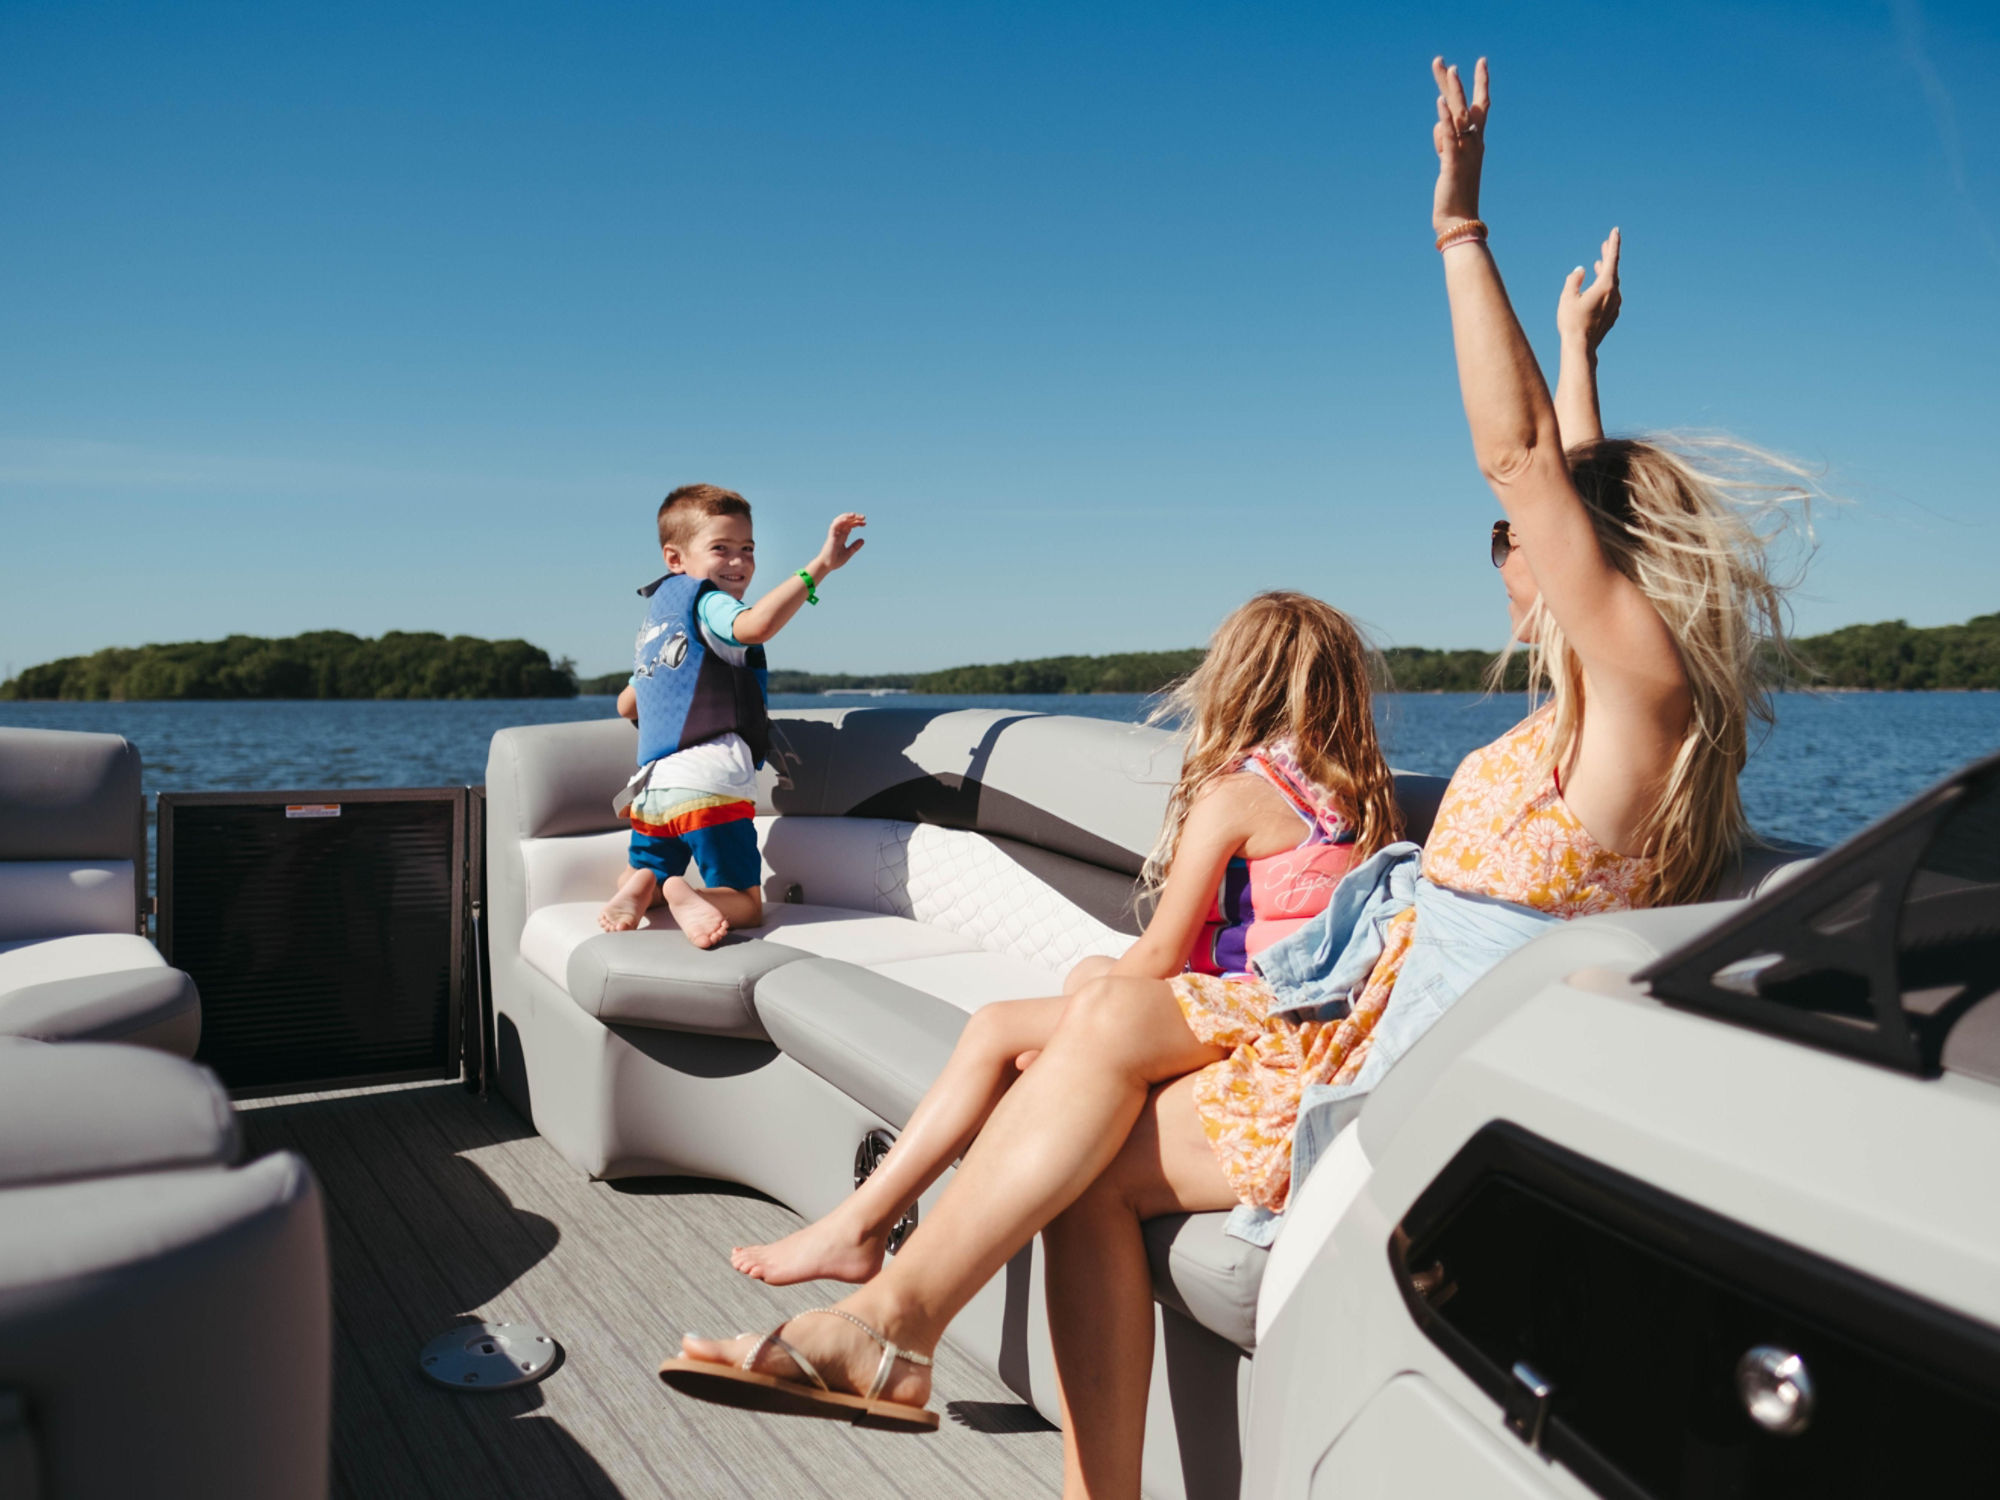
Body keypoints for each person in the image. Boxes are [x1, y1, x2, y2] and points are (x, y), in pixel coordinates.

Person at [661, 55, 1804, 1499]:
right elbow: (1568, 480)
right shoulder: (1605, 709)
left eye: (1534, 548)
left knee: (1088, 1093)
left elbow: (1528, 472)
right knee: (1091, 1086)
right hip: (1364, 1010)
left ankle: (890, 1318)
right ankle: (942, 1364)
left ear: (1613, 577)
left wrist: (1461, 225)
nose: (1516, 560)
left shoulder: (1642, 716)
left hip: (1418, 1075)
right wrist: (1584, 351)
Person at [727, 590, 1403, 1288]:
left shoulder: (1236, 796)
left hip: (1244, 1012)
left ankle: (860, 1227)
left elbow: (1162, 954)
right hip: (1303, 1015)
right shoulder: (1357, 794)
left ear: (1233, 681)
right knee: (1086, 974)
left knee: (996, 1030)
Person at [597, 484, 867, 946]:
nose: (738, 561)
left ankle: (642, 885)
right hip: (710, 784)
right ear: (675, 559)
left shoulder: (658, 623)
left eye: (747, 549)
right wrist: (819, 568)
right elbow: (756, 626)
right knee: (745, 904)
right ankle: (687, 893)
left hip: (653, 789)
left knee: (644, 868)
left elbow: (627, 704)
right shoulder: (711, 603)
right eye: (720, 548)